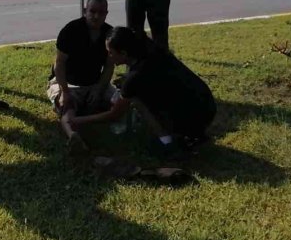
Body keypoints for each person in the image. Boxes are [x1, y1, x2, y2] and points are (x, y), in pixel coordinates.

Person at [67, 26, 216, 159]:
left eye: (110, 52)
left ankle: (168, 143)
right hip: (207, 104)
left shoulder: (134, 78)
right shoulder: (151, 49)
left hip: (194, 115)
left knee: (136, 99)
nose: (108, 56)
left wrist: (79, 120)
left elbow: (115, 114)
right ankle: (193, 133)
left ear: (124, 53)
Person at [47, 0, 116, 154]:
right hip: (67, 82)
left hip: (94, 83)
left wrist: (99, 89)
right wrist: (64, 91)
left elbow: (109, 66)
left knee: (117, 101)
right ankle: (73, 136)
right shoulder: (70, 30)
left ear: (106, 14)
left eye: (101, 12)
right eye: (92, 11)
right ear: (85, 11)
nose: (96, 16)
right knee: (67, 106)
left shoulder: (110, 34)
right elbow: (59, 64)